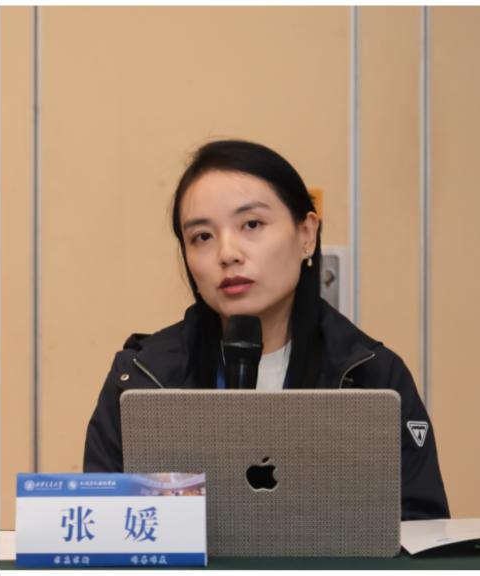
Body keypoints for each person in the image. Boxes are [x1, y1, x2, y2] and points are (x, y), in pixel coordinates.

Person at [83, 139, 450, 520]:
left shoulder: (373, 376)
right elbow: (105, 526)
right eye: (202, 237)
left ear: (306, 234)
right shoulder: (140, 380)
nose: (228, 253)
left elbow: (419, 527)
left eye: (252, 224)